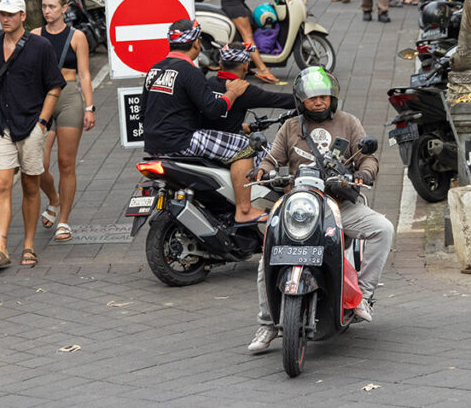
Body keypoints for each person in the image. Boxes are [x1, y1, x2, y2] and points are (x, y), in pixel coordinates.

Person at [247, 67, 394, 353]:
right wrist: (262, 170)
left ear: (332, 98)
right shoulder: (290, 127)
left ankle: (362, 295)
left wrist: (364, 174)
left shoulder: (349, 123)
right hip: (299, 207)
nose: (319, 103)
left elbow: (368, 158)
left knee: (383, 229)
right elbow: (271, 159)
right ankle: (267, 321)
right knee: (268, 254)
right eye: (313, 98)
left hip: (339, 205)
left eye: (324, 97)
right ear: (301, 101)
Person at [141, 19, 262, 223]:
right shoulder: (189, 71)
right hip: (181, 141)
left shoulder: (155, 69)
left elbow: (143, 112)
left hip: (153, 144)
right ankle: (244, 210)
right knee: (245, 146)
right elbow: (214, 110)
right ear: (196, 43)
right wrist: (231, 93)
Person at [0, 0, 65, 270]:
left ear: (23, 16)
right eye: (2, 14)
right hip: (0, 124)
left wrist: (42, 122)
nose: (5, 18)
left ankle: (28, 245)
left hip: (31, 124)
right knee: (1, 185)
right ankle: (0, 248)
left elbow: (54, 86)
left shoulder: (41, 47)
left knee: (30, 184)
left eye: (11, 14)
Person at [30, 0, 96, 242]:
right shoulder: (34, 35)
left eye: (52, 7)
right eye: (44, 6)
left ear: (64, 9)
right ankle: (54, 200)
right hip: (43, 99)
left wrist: (90, 107)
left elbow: (85, 74)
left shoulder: (77, 37)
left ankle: (64, 220)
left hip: (69, 99)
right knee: (38, 164)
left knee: (66, 163)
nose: (47, 11)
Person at [203, 43, 294, 135]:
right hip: (230, 145)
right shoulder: (245, 90)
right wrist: (305, 98)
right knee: (258, 147)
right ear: (246, 66)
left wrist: (245, 127)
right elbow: (279, 99)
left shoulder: (207, 83)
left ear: (220, 64)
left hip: (201, 141)